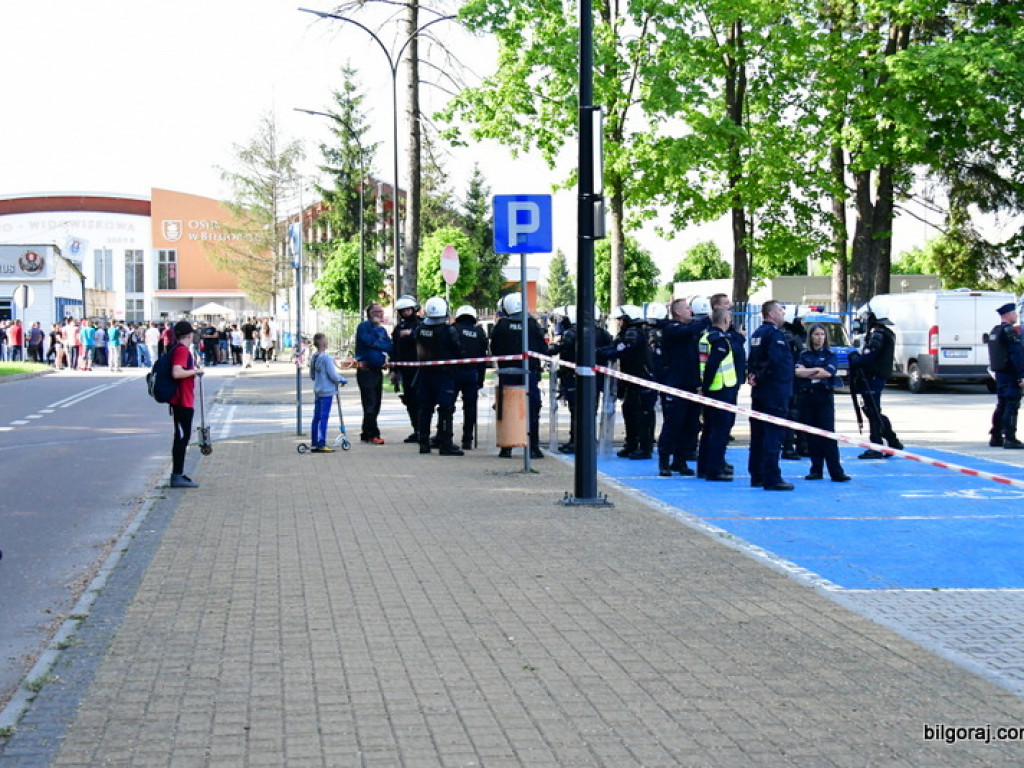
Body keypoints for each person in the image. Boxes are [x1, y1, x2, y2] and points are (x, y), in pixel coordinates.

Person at [490, 292, 548, 459]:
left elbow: (494, 349)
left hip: (507, 374)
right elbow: (542, 349)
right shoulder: (532, 324)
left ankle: (506, 447)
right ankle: (534, 447)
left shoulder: (501, 326)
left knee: (506, 409)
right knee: (532, 409)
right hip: (530, 373)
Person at [747, 300, 795, 490]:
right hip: (774, 391)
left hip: (761, 391)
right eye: (780, 310)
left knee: (758, 434)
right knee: (773, 435)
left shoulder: (757, 333)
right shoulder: (774, 335)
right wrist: (759, 376)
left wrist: (753, 375)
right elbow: (775, 362)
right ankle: (772, 477)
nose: (783, 314)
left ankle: (757, 474)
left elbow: (753, 360)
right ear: (771, 314)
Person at [795, 323, 851, 482]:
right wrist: (815, 371)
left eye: (822, 334)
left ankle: (836, 472)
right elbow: (798, 372)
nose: (819, 338)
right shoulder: (804, 354)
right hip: (807, 398)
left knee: (828, 435)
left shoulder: (829, 354)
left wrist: (808, 372)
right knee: (812, 436)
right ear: (810, 337)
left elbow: (827, 373)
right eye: (816, 334)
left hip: (824, 397)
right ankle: (816, 470)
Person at [600, 304, 656, 460]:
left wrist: (597, 353)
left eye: (621, 319)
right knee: (629, 411)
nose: (619, 323)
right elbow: (614, 347)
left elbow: (619, 350)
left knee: (642, 415)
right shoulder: (628, 333)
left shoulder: (634, 334)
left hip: (642, 380)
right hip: (632, 381)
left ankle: (644, 448)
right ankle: (631, 444)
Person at [654, 298, 702, 476]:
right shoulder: (671, 328)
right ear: (678, 312)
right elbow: (686, 332)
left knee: (690, 425)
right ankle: (664, 460)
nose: (691, 311)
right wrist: (708, 319)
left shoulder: (689, 331)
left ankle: (680, 460)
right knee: (673, 424)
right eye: (687, 308)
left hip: (691, 384)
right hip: (675, 384)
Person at [849, 304, 903, 458]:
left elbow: (868, 357)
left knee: (873, 412)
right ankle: (892, 441)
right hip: (876, 377)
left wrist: (855, 358)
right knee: (873, 411)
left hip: (872, 378)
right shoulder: (886, 333)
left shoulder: (878, 334)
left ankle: (877, 445)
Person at [413, 297, 463, 456]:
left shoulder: (420, 329)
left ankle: (423, 443)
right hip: (444, 375)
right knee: (446, 409)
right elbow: (457, 350)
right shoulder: (448, 330)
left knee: (425, 409)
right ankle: (445, 444)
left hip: (424, 374)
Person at [697, 306, 739, 481]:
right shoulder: (720, 341)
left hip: (712, 390)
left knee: (708, 430)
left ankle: (704, 467)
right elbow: (712, 366)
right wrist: (706, 387)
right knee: (720, 432)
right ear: (726, 320)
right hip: (721, 388)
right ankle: (715, 469)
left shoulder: (705, 337)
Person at [168, 321, 203, 488]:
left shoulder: (176, 349)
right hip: (182, 400)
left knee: (182, 437)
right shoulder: (182, 350)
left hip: (181, 400)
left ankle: (178, 473)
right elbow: (177, 372)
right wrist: (195, 371)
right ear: (189, 335)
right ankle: (176, 475)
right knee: (182, 438)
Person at [354, 302, 393, 445]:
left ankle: (366, 432)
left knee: (376, 403)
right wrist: (378, 342)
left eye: (381, 312)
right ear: (369, 314)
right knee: (370, 403)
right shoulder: (364, 326)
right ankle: (373, 433)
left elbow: (389, 346)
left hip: (377, 370)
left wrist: (377, 343)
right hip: (366, 370)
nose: (379, 314)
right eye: (376, 312)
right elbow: (368, 341)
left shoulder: (382, 330)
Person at [988, 302, 1024, 449]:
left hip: (1000, 374)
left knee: (1001, 405)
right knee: (1012, 405)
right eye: (1014, 313)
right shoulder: (1009, 332)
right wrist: (1022, 375)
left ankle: (995, 436)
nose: (1016, 316)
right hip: (1010, 374)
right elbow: (1016, 355)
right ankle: (1010, 438)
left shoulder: (996, 331)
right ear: (1007, 315)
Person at [453, 305, 488, 450]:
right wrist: (481, 380)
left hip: (453, 372)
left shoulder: (453, 329)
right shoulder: (479, 332)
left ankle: (444, 435)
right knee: (470, 407)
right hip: (472, 373)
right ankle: (467, 439)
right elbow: (483, 358)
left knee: (447, 406)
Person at [390, 295, 423, 443]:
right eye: (403, 311)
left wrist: (412, 334)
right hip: (405, 370)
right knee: (410, 401)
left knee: (421, 400)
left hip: (421, 370)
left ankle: (423, 431)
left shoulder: (421, 325)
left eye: (408, 310)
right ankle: (416, 430)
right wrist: (393, 370)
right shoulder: (398, 328)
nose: (406, 313)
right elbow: (395, 350)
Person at [309, 332, 347, 453]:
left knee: (316, 417)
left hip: (318, 390)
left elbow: (312, 376)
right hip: (327, 391)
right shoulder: (326, 358)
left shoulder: (314, 358)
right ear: (325, 344)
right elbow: (333, 375)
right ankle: (322, 443)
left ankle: (314, 442)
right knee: (324, 417)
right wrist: (342, 379)